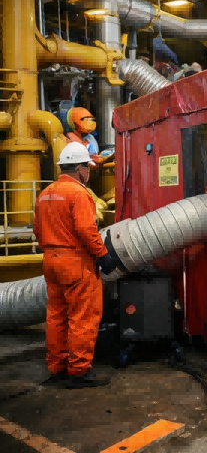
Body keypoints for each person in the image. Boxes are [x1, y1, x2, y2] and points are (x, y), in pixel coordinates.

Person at [33, 142, 117, 387]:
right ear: (80, 169)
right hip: (76, 263)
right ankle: (79, 372)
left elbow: (38, 231)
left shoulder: (45, 193)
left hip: (51, 261)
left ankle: (57, 368)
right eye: (87, 168)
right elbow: (87, 231)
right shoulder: (79, 194)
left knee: (56, 316)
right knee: (82, 317)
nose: (88, 173)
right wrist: (103, 257)